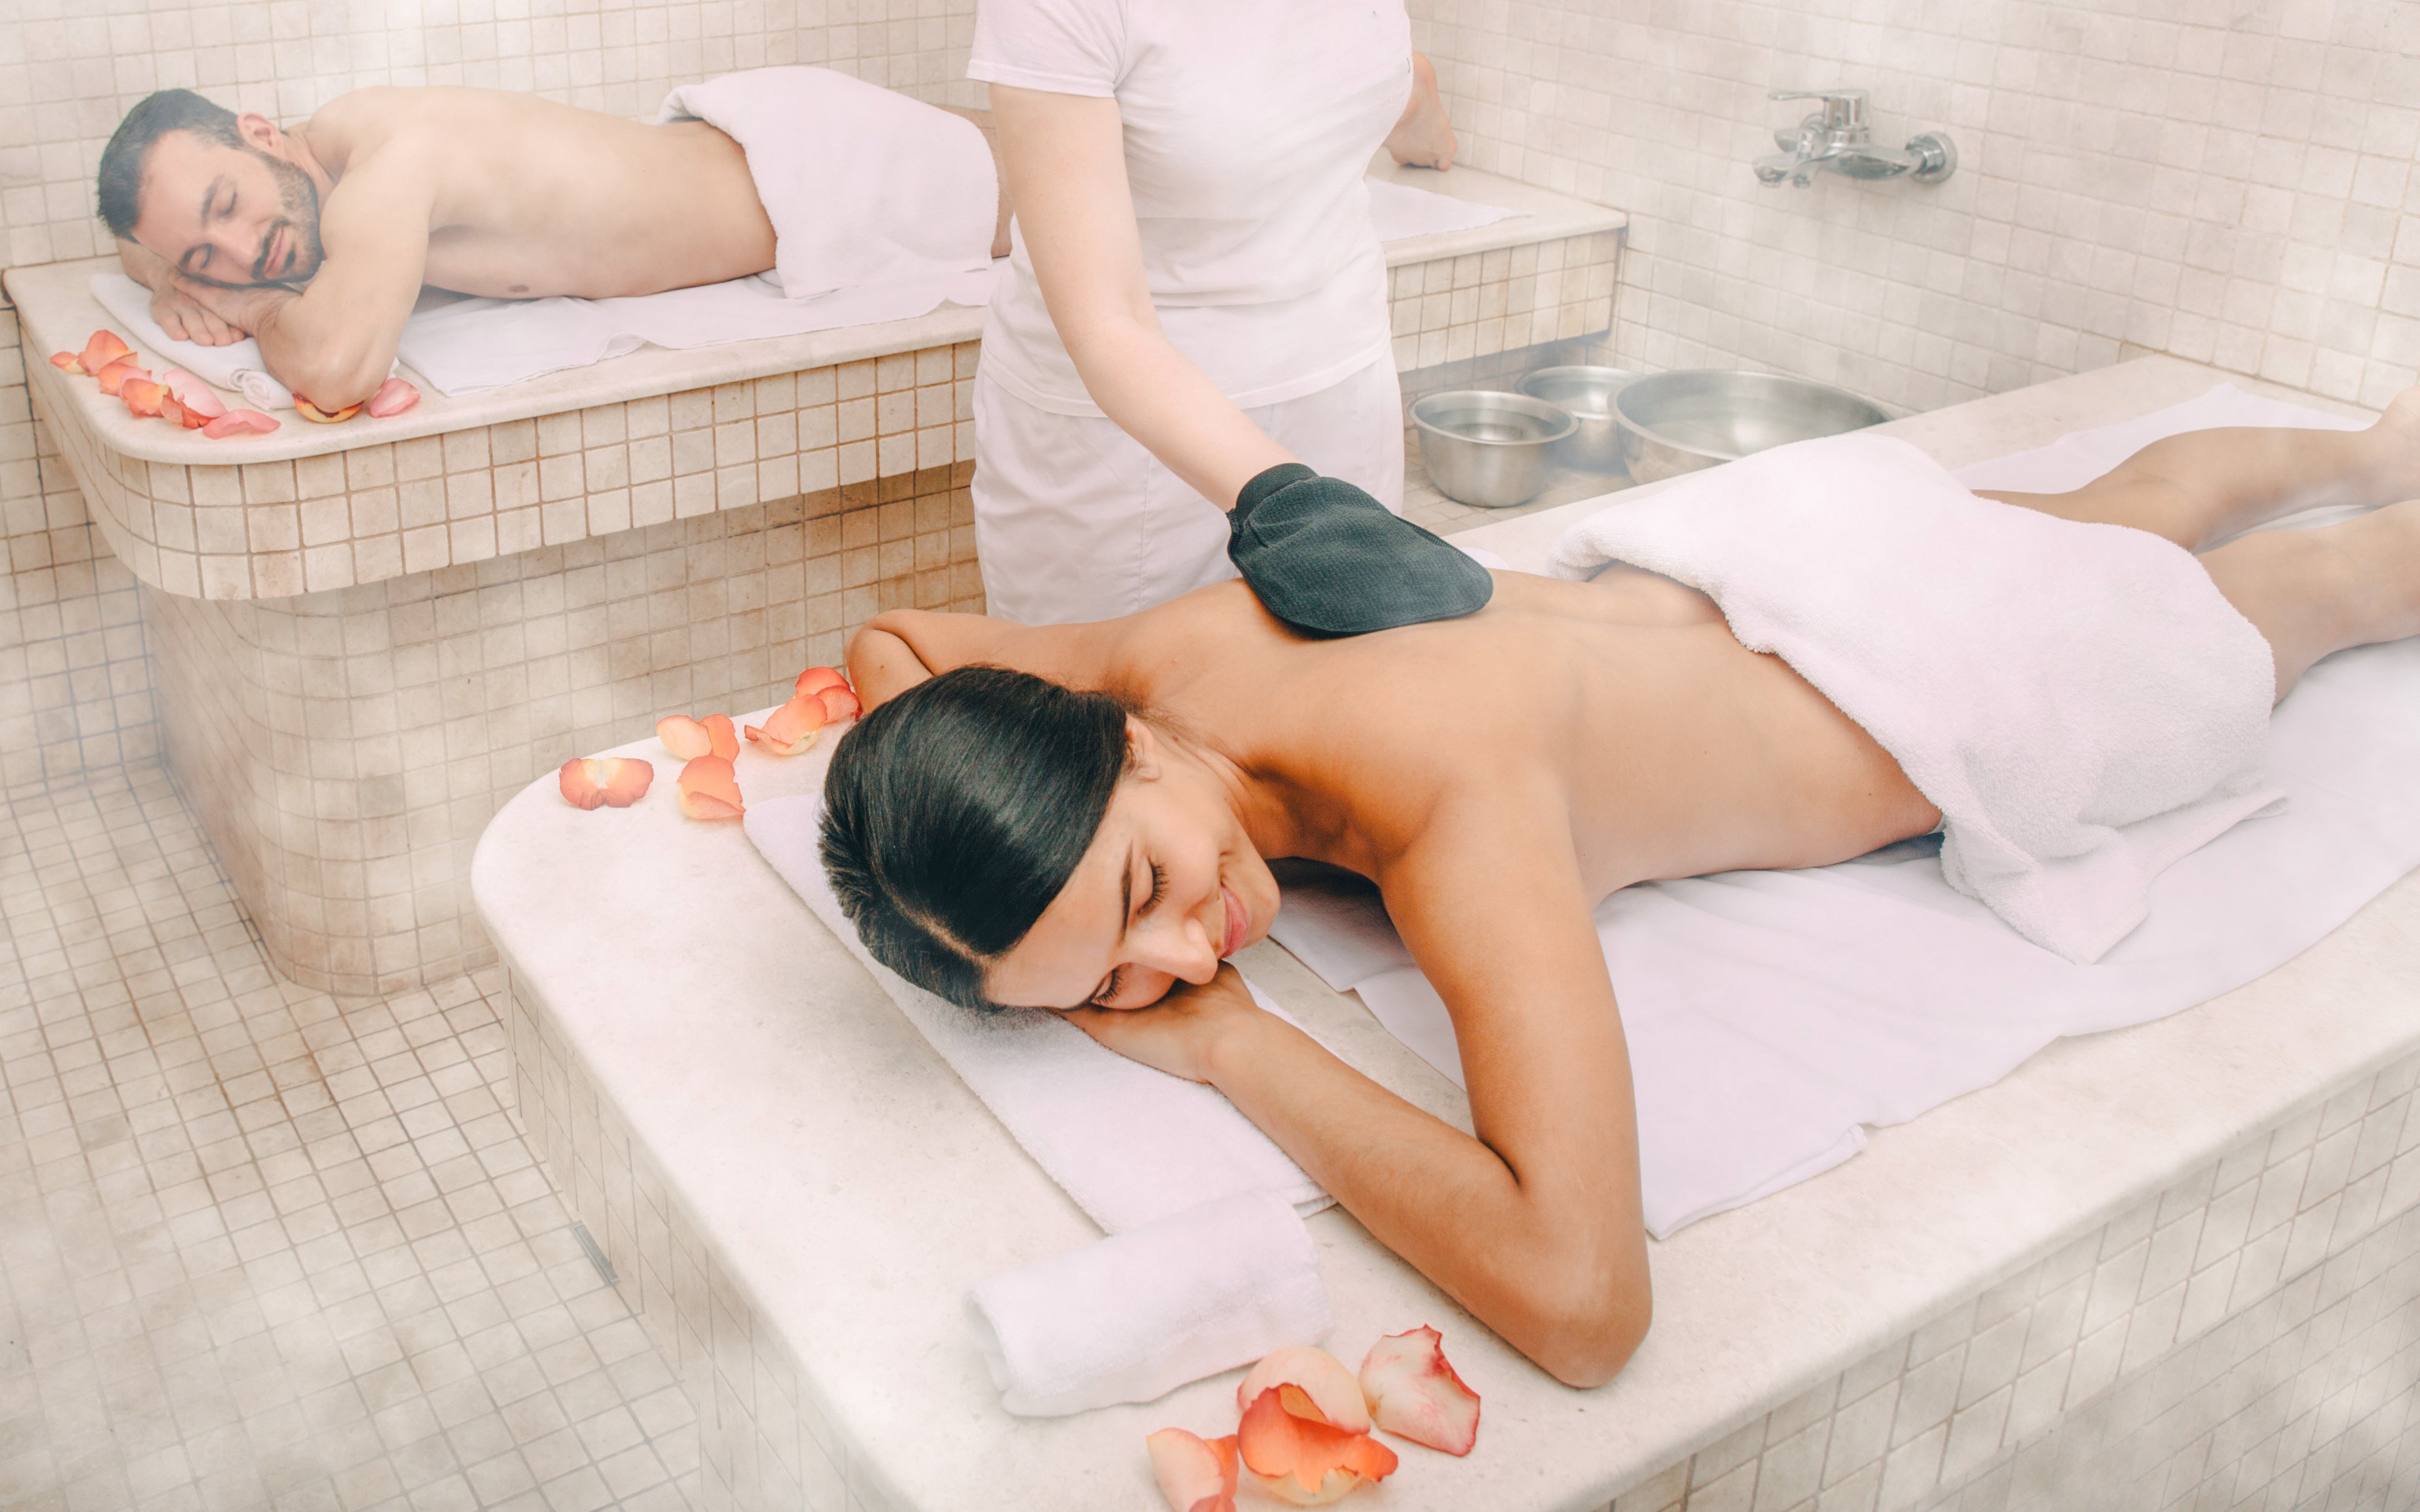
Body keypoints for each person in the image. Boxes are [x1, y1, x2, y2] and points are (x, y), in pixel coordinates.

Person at [816, 405, 2420, 1386]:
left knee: (2324, 590)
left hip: (1970, 683)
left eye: (1147, 889)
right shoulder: (1135, 669)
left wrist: (1232, 1047)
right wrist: (991, 880)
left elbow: (1586, 1305)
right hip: (1789, 555)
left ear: (1131, 749)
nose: (1190, 951)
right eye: (1112, 982)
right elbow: (893, 648)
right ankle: (2365, 445)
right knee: (2117, 512)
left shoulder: (1444, 803)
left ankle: (2376, 497)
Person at [965, 0, 1492, 631]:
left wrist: (1416, 108)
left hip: (1340, 401)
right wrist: (1299, 508)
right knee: (1120, 715)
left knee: (1333, 708)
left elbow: (1330, 65)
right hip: (1133, 443)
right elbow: (1110, 322)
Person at [95, 83, 1014, 410]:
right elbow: (162, 245)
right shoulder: (312, 169)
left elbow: (336, 370)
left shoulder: (384, 162)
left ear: (259, 130)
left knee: (1126, 199)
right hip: (776, 153)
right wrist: (167, 267)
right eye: (204, 255)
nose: (244, 251)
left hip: (837, 177)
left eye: (226, 205)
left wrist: (241, 303)